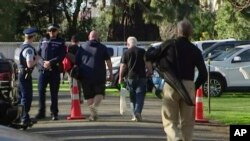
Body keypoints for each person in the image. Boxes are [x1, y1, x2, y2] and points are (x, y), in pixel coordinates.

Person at [146, 19, 208, 141]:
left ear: (177, 31)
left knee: (169, 118)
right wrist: (194, 87)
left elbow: (151, 55)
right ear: (191, 33)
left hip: (171, 85)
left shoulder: (168, 44)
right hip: (189, 85)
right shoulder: (194, 49)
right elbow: (203, 73)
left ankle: (174, 138)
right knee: (188, 121)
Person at [75, 30, 113, 121]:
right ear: (97, 37)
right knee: (99, 92)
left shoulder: (82, 47)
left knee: (89, 95)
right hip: (99, 74)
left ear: (89, 37)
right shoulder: (102, 47)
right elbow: (108, 61)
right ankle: (94, 107)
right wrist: (111, 72)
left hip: (85, 74)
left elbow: (77, 62)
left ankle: (93, 114)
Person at [35, 24, 66, 120]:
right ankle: (41, 112)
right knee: (41, 91)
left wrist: (50, 62)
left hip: (54, 71)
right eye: (50, 31)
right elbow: (37, 54)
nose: (52, 33)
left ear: (57, 31)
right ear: (48, 31)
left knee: (54, 93)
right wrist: (43, 63)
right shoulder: (43, 40)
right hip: (43, 70)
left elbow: (62, 55)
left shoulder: (61, 42)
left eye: (54, 31)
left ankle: (54, 113)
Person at [118, 36, 152, 122]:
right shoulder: (143, 51)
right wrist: (149, 71)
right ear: (136, 43)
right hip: (142, 77)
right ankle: (138, 112)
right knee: (140, 96)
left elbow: (122, 66)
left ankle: (134, 115)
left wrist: (120, 77)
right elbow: (148, 63)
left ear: (128, 44)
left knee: (132, 97)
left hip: (130, 77)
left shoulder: (126, 53)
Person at [17, 27, 39, 125]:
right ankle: (24, 118)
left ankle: (20, 117)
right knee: (26, 97)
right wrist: (36, 60)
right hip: (25, 75)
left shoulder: (19, 47)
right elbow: (29, 64)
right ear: (32, 37)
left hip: (19, 74)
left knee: (21, 97)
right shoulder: (29, 49)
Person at [66, 35, 83, 103]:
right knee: (78, 84)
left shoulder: (68, 48)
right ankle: (78, 98)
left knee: (71, 84)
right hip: (77, 68)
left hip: (69, 69)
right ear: (78, 41)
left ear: (71, 41)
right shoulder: (80, 49)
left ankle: (73, 98)